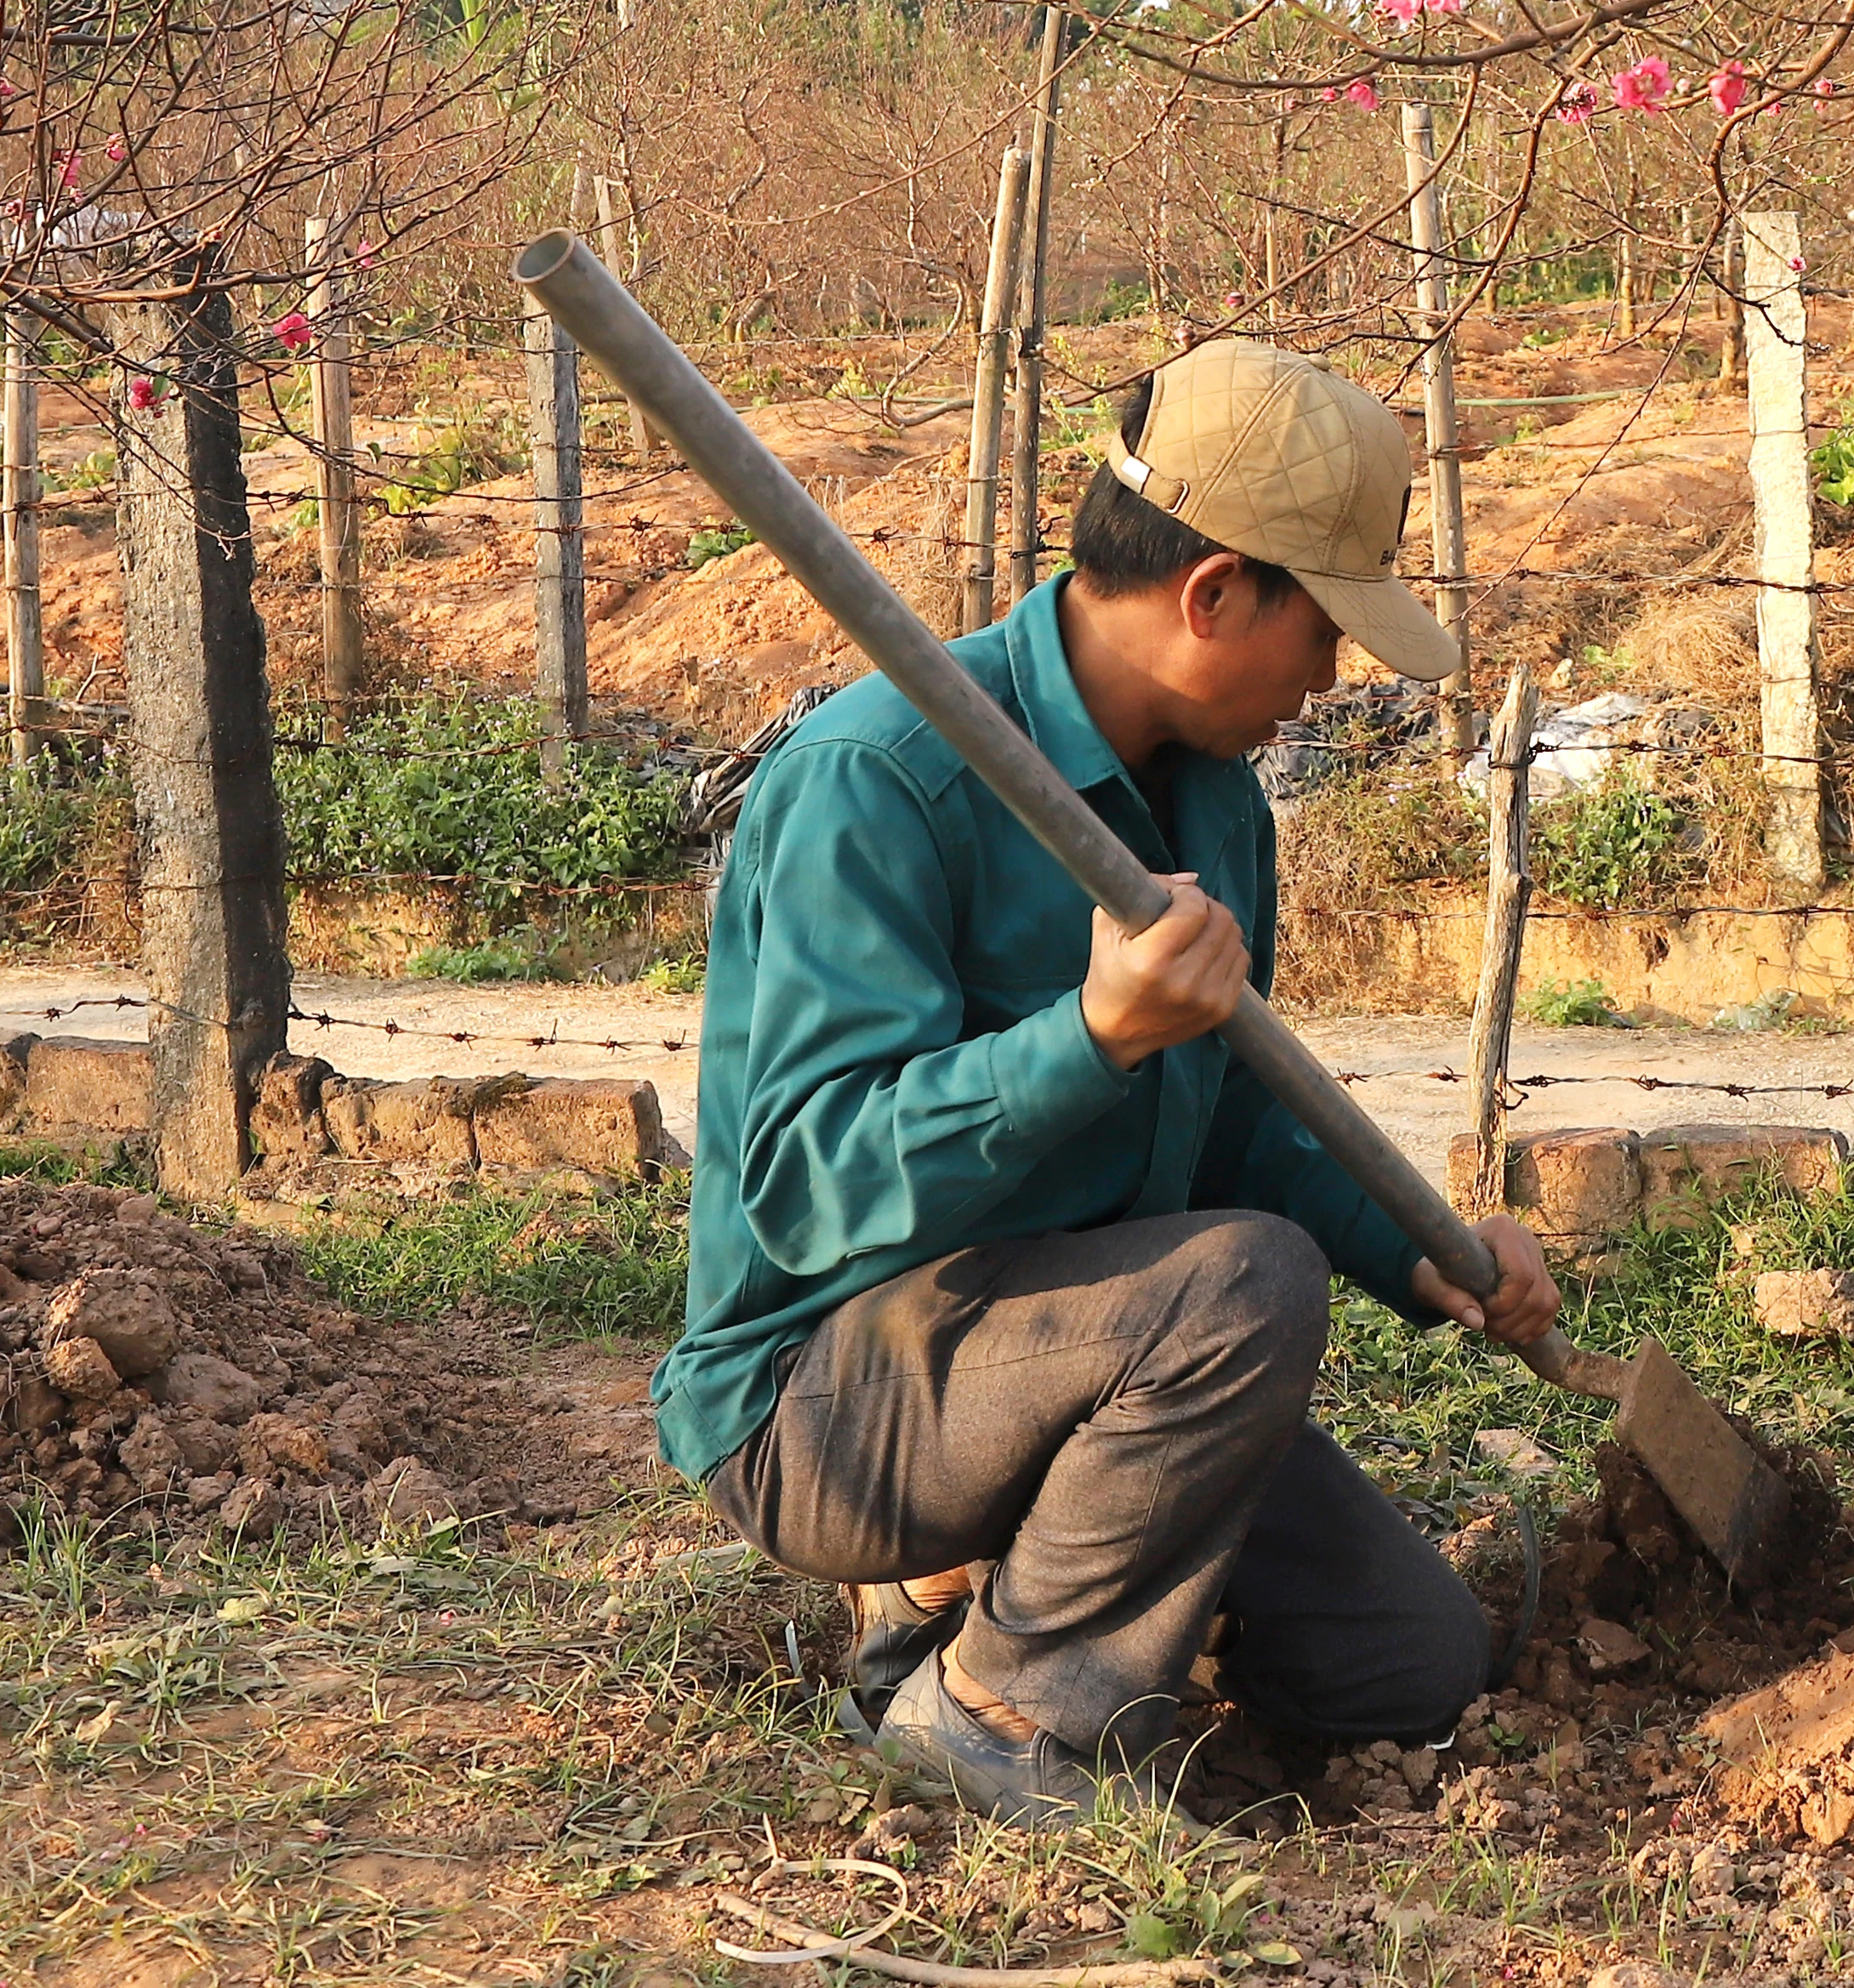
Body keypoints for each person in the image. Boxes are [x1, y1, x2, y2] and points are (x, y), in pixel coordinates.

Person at [652, 336, 1566, 1824]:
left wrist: (1421, 1252)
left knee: (1408, 1663)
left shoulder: (1214, 805)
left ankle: (980, 1589)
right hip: (825, 1406)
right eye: (1326, 630)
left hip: (1076, 1371)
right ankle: (1002, 1705)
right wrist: (1087, 1041)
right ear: (1215, 595)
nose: (1333, 679)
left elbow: (1244, 1130)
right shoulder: (882, 777)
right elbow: (806, 1185)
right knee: (1241, 1288)